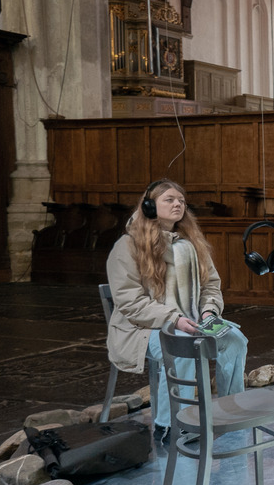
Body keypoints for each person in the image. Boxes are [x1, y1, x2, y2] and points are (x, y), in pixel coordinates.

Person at [106, 179, 248, 443]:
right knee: (185, 345)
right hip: (141, 329)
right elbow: (130, 303)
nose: (178, 204)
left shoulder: (191, 243)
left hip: (191, 319)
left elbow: (211, 286)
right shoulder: (127, 247)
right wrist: (174, 319)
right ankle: (172, 424)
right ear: (149, 206)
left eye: (181, 200)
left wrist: (208, 312)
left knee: (234, 341)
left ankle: (229, 411)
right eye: (169, 199)